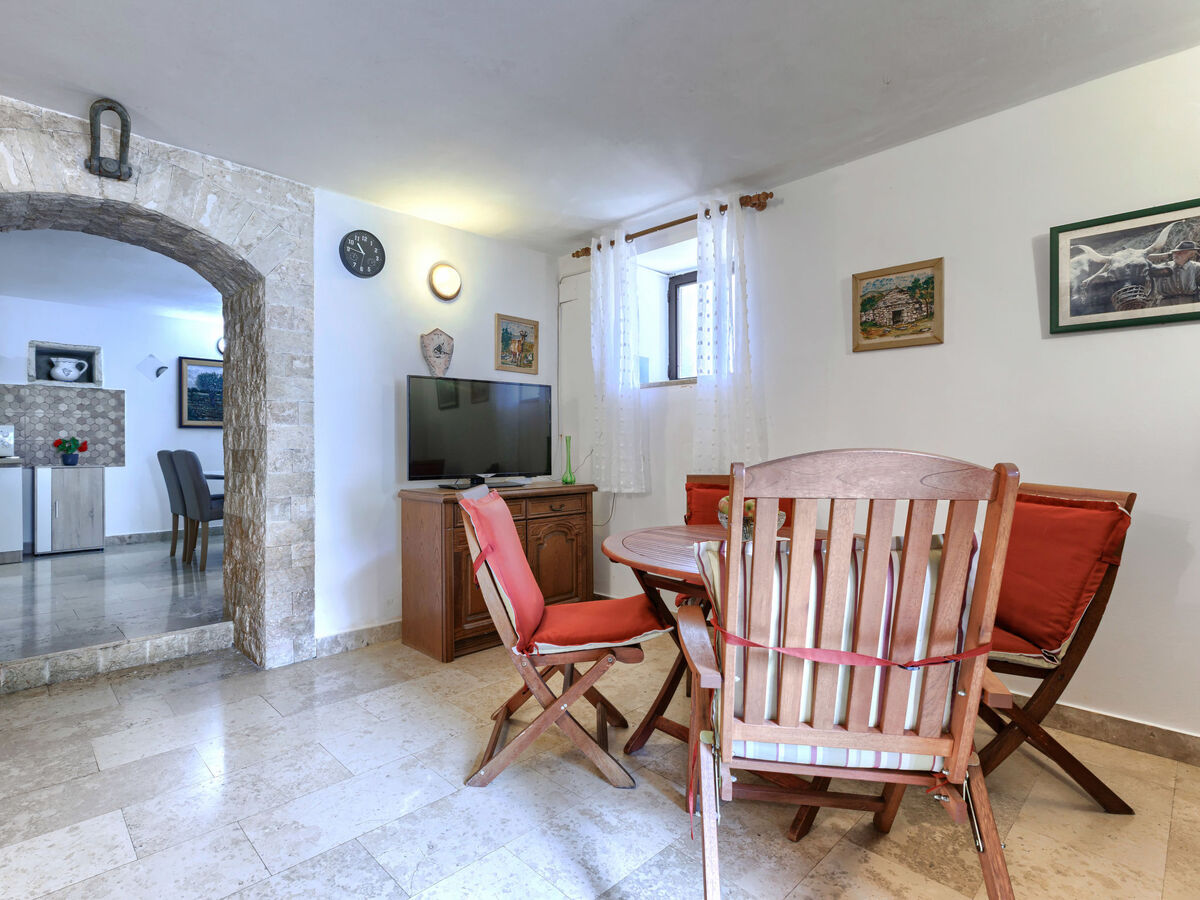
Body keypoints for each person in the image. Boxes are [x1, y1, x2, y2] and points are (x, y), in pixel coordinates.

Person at [1152, 239, 1200, 303]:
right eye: (1175, 252)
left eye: (1180, 253)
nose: (1176, 255)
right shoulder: (1161, 267)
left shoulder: (1197, 268)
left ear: (1191, 254)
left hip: (1191, 302)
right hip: (1166, 302)